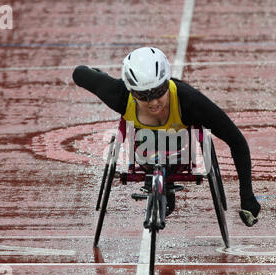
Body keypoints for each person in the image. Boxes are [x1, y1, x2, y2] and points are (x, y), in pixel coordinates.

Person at [72, 47, 261, 227]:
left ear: (165, 82)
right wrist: (100, 78)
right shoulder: (120, 95)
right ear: (131, 90)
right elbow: (79, 73)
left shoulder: (189, 101)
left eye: (158, 92)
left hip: (180, 155)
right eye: (143, 95)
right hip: (143, 152)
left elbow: (237, 141)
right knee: (147, 148)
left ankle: (164, 180)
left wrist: (247, 196)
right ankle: (155, 179)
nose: (153, 102)